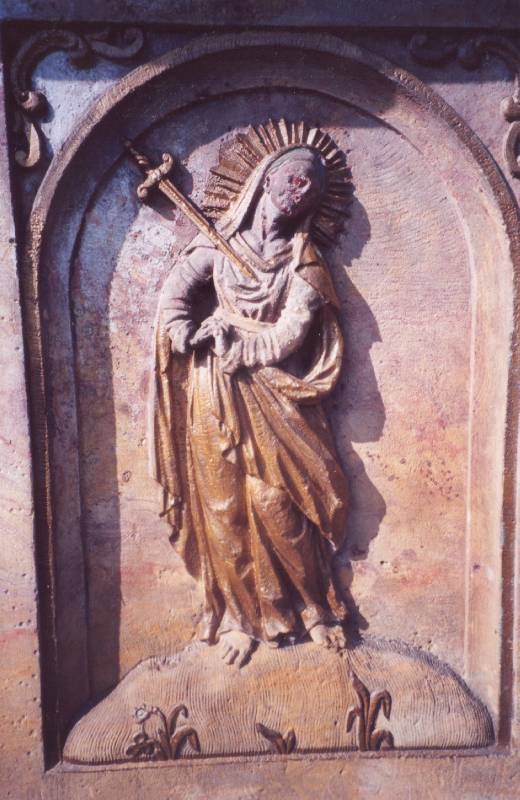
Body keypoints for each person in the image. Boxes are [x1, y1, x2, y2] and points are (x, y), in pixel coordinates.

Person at [149, 145, 349, 668]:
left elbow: (293, 330)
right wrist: (190, 333)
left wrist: (242, 347)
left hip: (275, 393)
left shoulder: (303, 260)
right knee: (223, 508)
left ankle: (313, 607)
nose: (299, 192)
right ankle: (242, 618)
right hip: (213, 388)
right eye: (293, 179)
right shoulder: (218, 243)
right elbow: (174, 299)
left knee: (277, 501)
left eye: (311, 189)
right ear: (265, 179)